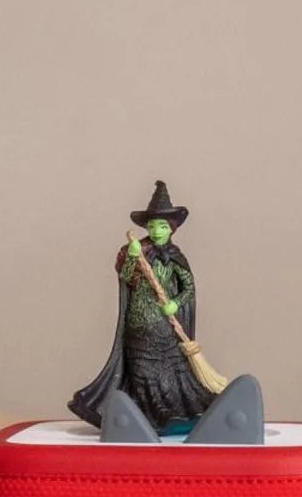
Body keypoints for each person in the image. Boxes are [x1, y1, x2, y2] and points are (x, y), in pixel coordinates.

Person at [70, 181, 216, 434]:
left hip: (165, 329)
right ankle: (146, 419)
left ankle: (174, 416)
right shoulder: (133, 251)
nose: (157, 230)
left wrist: (175, 303)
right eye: (152, 225)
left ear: (172, 229)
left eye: (162, 226)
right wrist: (132, 257)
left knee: (170, 373)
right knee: (141, 372)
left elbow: (188, 287)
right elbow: (127, 278)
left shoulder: (175, 256)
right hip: (138, 326)